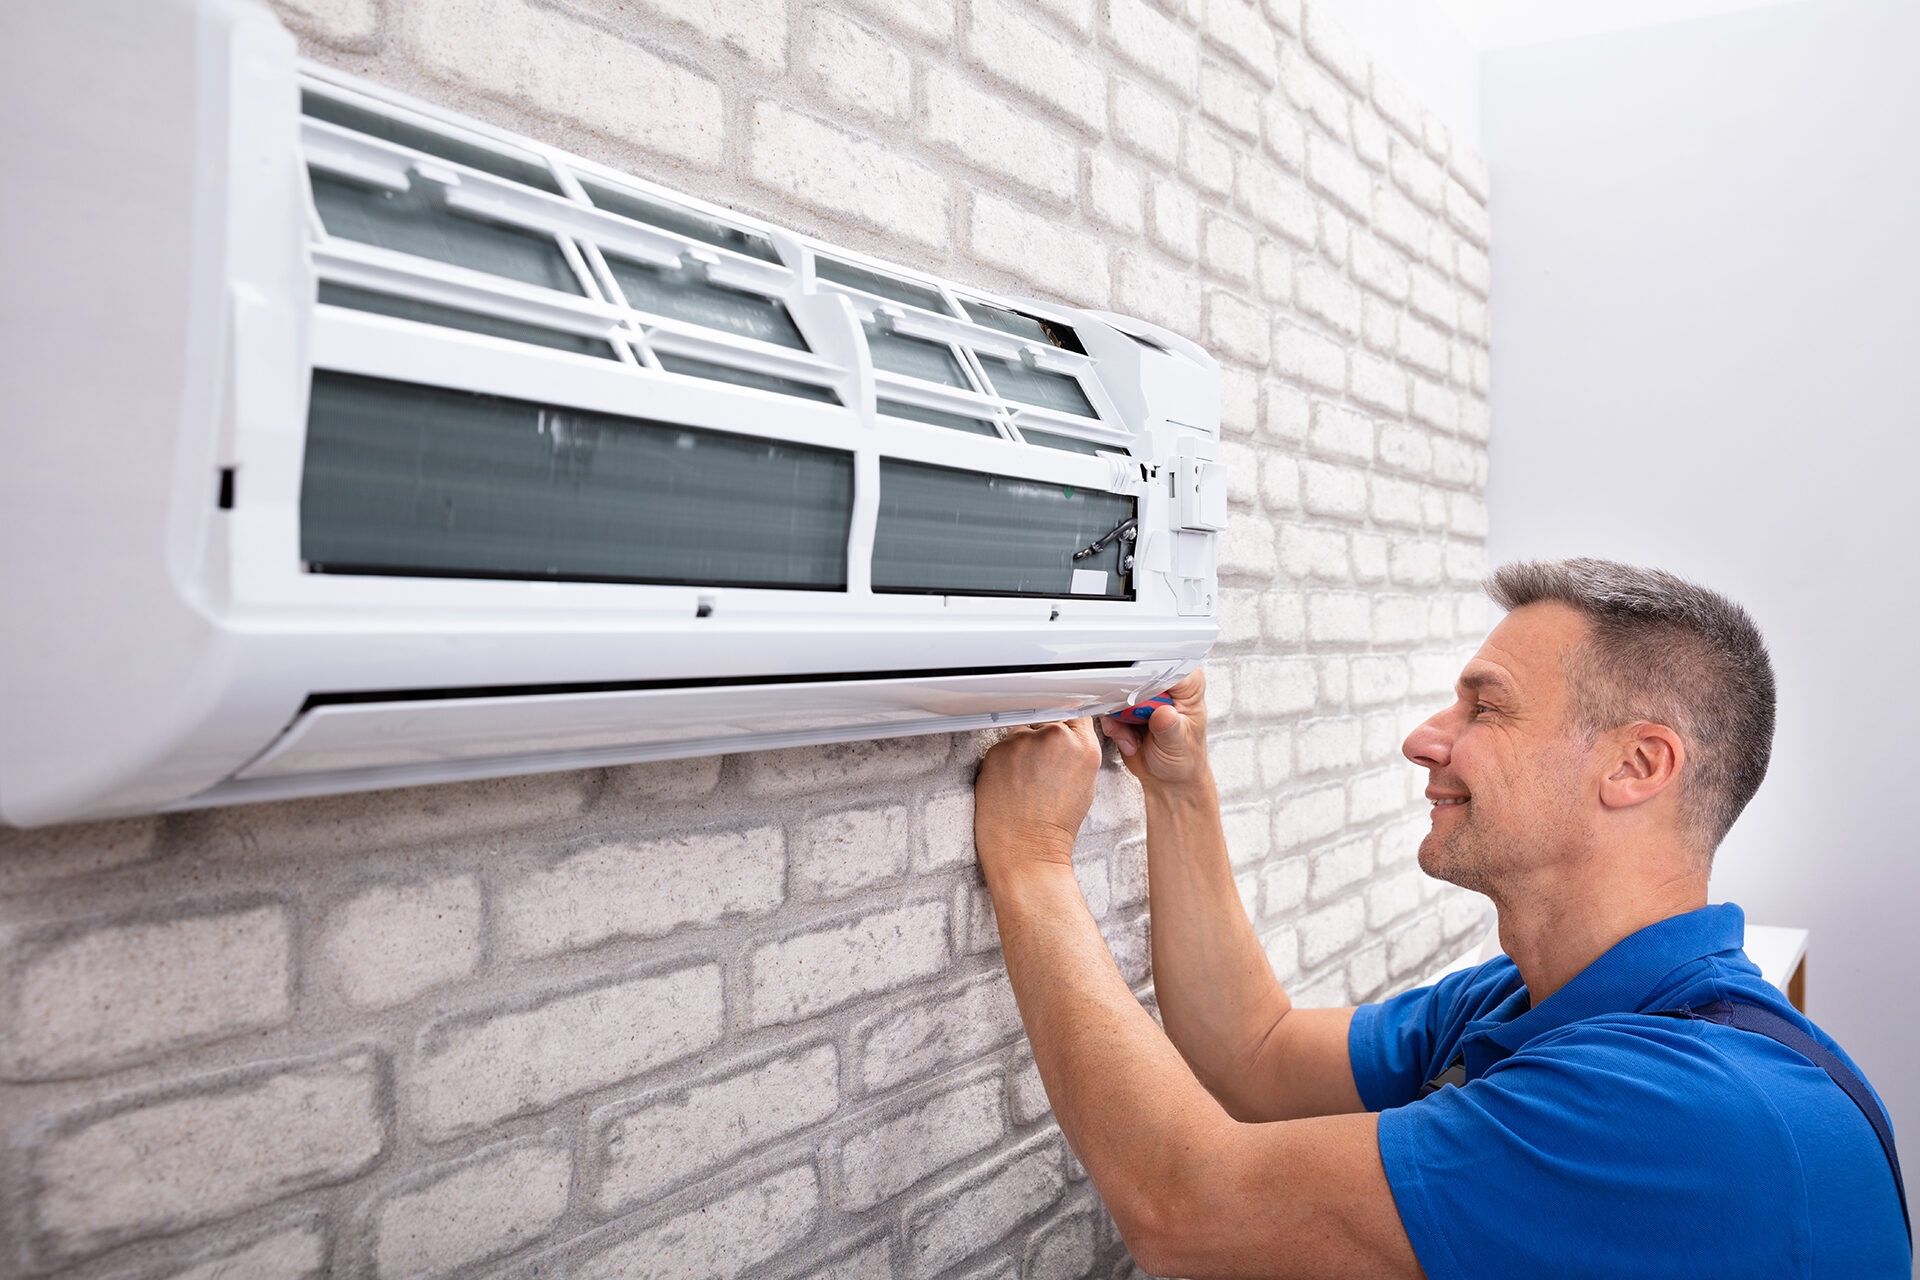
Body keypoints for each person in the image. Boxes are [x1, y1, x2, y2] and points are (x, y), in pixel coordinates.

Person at [972, 558, 1908, 1278]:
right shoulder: (1539, 1001)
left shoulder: (1681, 1110)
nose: (1425, 739)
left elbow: (1183, 1207)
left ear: (1635, 767)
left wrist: (1031, 861)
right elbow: (1252, 1055)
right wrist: (1178, 790)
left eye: (1485, 707)